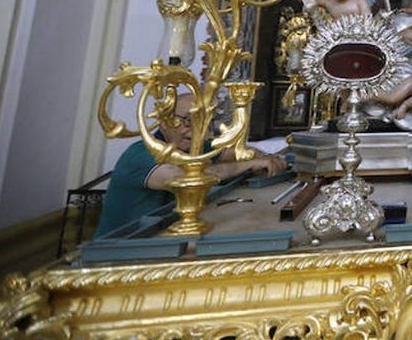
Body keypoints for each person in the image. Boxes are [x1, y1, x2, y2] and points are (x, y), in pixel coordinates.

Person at [95, 93, 287, 238]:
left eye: (201, 122)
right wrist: (249, 164)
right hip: (119, 249)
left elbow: (239, 151)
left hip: (165, 235)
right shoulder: (141, 154)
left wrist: (266, 158)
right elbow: (188, 179)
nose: (195, 130)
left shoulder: (194, 147)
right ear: (164, 121)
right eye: (187, 121)